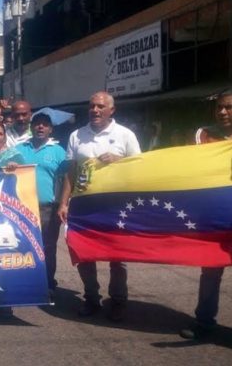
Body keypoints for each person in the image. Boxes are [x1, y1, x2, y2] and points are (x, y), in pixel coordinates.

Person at [57, 91, 141, 322]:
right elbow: (71, 172)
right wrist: (64, 202)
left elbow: (140, 168)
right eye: (92, 106)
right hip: (84, 204)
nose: (95, 110)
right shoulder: (77, 135)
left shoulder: (125, 135)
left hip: (115, 205)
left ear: (111, 110)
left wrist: (120, 161)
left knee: (117, 256)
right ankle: (91, 298)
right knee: (84, 253)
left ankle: (118, 301)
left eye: (101, 106)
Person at [180, 90, 232, 340]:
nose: (222, 112)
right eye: (220, 107)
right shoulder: (203, 136)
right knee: (210, 271)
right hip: (215, 218)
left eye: (229, 107)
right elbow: (184, 166)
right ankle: (204, 322)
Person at [16, 113, 67, 298]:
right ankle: (25, 282)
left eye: (44, 125)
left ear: (50, 129)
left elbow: (67, 179)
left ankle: (48, 284)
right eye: (37, 124)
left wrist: (63, 203)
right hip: (22, 206)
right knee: (23, 246)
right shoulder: (19, 149)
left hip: (48, 207)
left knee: (47, 247)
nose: (40, 127)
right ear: (31, 127)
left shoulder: (59, 151)